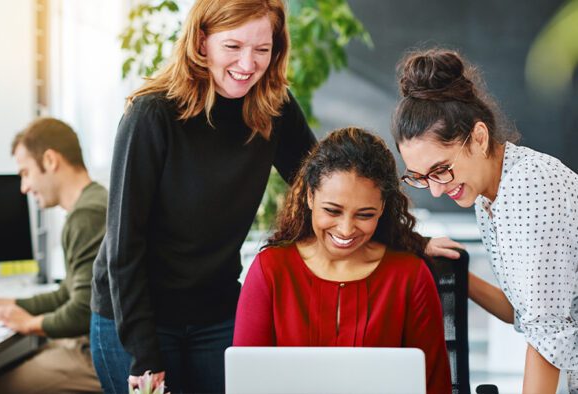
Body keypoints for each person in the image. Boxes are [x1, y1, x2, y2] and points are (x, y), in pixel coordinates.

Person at [89, 1, 316, 393]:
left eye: (262, 50)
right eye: (233, 47)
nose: (248, 64)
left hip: (217, 312)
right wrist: (144, 352)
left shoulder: (274, 108)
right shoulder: (152, 114)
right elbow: (123, 248)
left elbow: (326, 186)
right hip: (137, 318)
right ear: (201, 41)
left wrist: (407, 239)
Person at [392, 48, 578, 393]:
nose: (435, 190)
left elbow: (546, 334)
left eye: (441, 169)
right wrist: (457, 269)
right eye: (420, 177)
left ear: (478, 137)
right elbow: (519, 311)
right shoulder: (488, 198)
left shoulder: (530, 184)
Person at [233, 127, 452, 394]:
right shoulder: (271, 271)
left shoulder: (410, 277)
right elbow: (247, 383)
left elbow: (434, 387)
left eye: (364, 214)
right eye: (332, 210)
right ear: (310, 196)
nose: (346, 230)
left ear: (382, 207)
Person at [0, 117, 107, 393]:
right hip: (90, 345)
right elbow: (66, 295)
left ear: (49, 160)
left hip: (94, 357)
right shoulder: (92, 203)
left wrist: (29, 324)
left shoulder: (87, 215)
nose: (23, 187)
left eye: (25, 173)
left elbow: (81, 311)